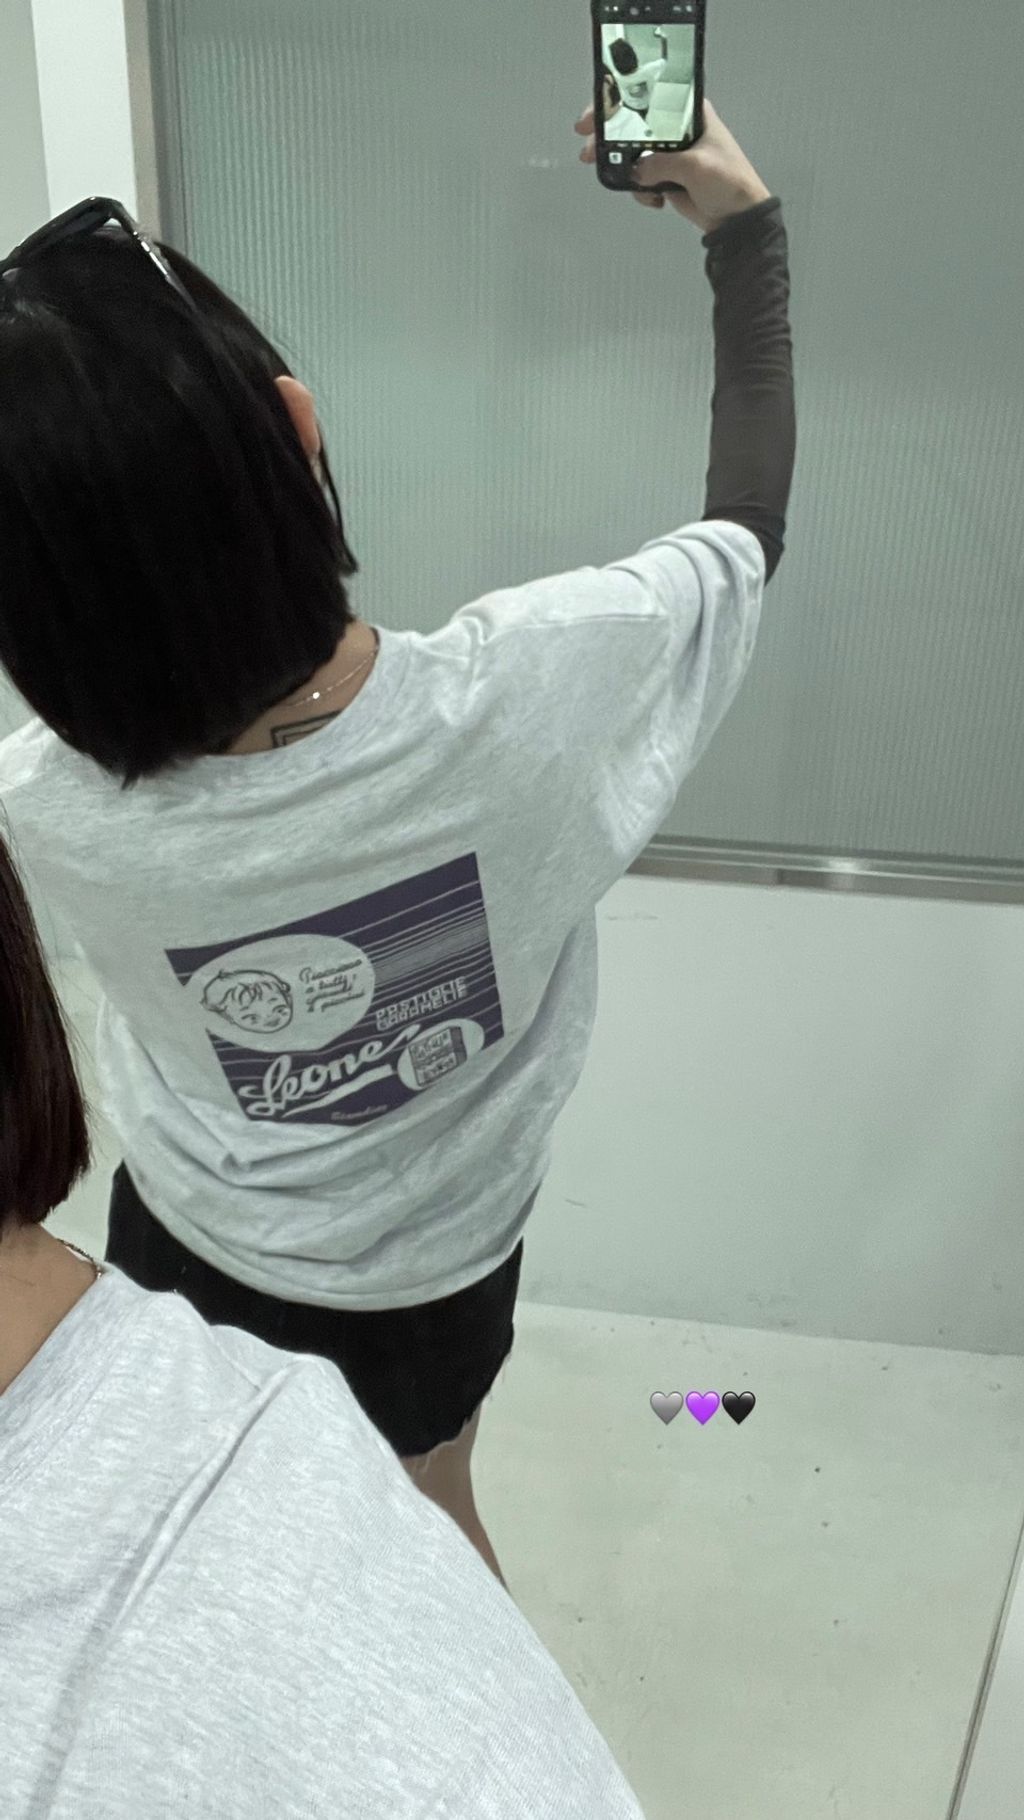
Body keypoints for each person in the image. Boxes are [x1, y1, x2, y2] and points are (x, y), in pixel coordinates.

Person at [0, 91, 795, 1817]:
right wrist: (744, 234)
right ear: (300, 427)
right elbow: (747, 522)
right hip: (438, 1267)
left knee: (217, 1575)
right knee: (420, 1532)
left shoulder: (39, 817)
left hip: (187, 1248)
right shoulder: (542, 694)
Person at [605, 29, 668, 123]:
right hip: (643, 107)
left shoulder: (616, 76)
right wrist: (664, 38)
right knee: (639, 122)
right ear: (633, 55)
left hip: (627, 104)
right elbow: (664, 59)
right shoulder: (649, 70)